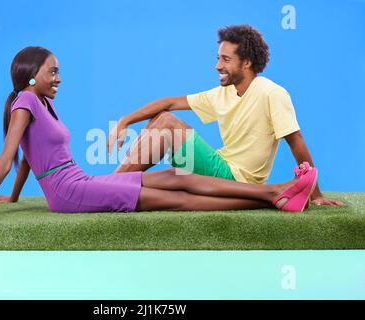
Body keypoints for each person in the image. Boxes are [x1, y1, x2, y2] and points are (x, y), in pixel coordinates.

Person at [0, 46, 319, 225]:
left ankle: (275, 192)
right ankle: (273, 195)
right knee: (177, 200)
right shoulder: (25, 104)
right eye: (53, 72)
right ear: (33, 76)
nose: (59, 78)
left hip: (77, 182)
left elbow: (31, 155)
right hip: (70, 194)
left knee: (172, 176)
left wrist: (14, 197)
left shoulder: (42, 105)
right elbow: (7, 157)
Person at [107, 24, 344, 207]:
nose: (218, 66)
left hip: (236, 180)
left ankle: (104, 187)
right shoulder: (224, 93)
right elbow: (169, 102)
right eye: (218, 58)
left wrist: (315, 193)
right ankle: (109, 185)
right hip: (219, 169)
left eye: (226, 59)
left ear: (247, 63)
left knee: (166, 123)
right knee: (160, 119)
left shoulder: (271, 93)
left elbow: (296, 142)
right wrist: (125, 120)